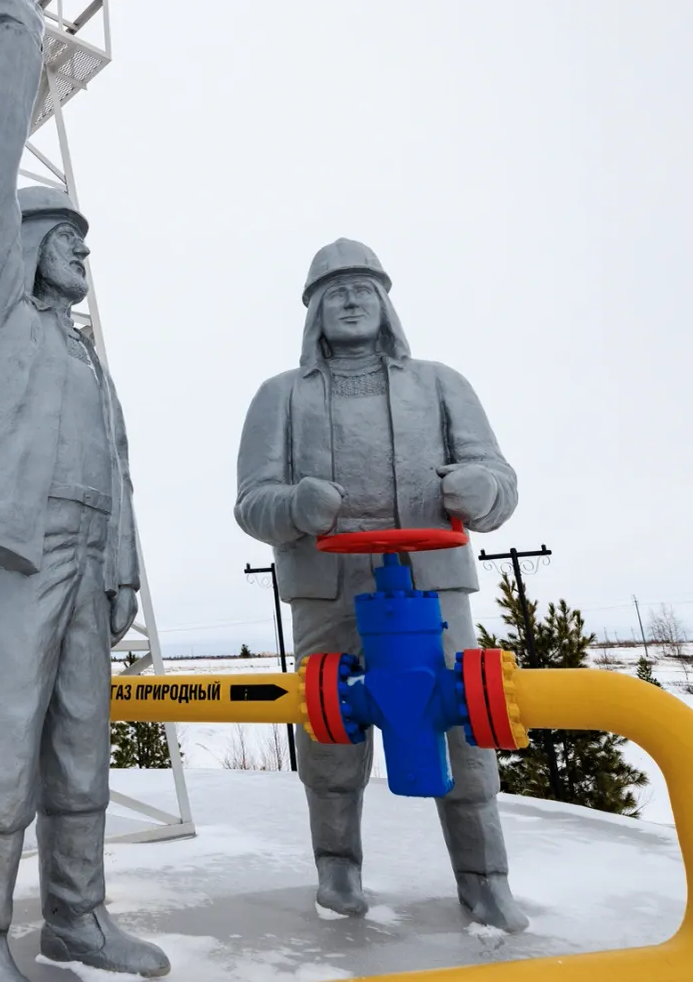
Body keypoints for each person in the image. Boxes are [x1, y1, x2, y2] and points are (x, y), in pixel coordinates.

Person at [0, 0, 168, 982]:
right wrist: (13, 25)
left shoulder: (82, 357)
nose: (82, 253)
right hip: (12, 548)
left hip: (83, 551)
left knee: (79, 744)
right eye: (68, 235)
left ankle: (77, 917)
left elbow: (118, 473)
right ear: (21, 241)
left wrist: (122, 573)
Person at [232, 238, 529, 931]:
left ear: (386, 302)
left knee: (465, 727)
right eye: (334, 290)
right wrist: (296, 507)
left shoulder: (441, 384)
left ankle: (485, 879)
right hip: (327, 587)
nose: (350, 298)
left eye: (364, 286)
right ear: (313, 312)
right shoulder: (278, 397)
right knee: (329, 732)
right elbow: (252, 502)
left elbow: (501, 484)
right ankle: (337, 872)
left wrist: (480, 489)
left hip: (431, 587)